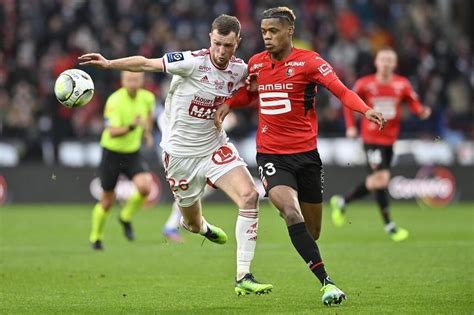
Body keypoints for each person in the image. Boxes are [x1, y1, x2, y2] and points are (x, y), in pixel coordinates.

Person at [79, 14, 273, 295]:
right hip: (180, 156)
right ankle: (203, 226)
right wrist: (109, 63)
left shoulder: (239, 70)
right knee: (191, 224)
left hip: (214, 146)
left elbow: (257, 87)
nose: (221, 52)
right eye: (217, 43)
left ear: (237, 43)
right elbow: (147, 63)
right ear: (210, 39)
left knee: (249, 196)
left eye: (228, 46)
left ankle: (244, 275)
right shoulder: (191, 61)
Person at [215, 6, 385, 306]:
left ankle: (309, 251)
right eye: (264, 31)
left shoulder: (310, 62)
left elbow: (341, 91)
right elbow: (250, 93)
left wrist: (365, 110)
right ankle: (327, 283)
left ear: (289, 31)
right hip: (270, 155)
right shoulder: (256, 64)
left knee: (313, 230)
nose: (267, 37)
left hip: (306, 156)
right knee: (289, 211)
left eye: (273, 31)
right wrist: (230, 103)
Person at [330, 47, 431, 241]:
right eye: (382, 59)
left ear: (395, 64)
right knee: (382, 179)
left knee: (378, 182)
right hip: (371, 139)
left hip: (390, 141)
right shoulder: (365, 84)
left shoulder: (402, 84)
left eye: (389, 60)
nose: (386, 63)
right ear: (376, 62)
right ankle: (389, 225)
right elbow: (348, 103)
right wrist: (351, 127)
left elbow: (413, 102)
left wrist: (421, 111)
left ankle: (345, 203)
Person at [89, 71, 155, 250]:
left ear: (142, 80)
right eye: (129, 79)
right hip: (112, 153)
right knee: (107, 200)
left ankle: (125, 217)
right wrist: (132, 127)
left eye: (136, 79)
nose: (133, 82)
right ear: (123, 81)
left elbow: (148, 114)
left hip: (132, 153)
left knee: (145, 187)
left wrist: (147, 133)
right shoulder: (114, 101)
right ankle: (96, 237)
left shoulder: (147, 97)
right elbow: (112, 132)